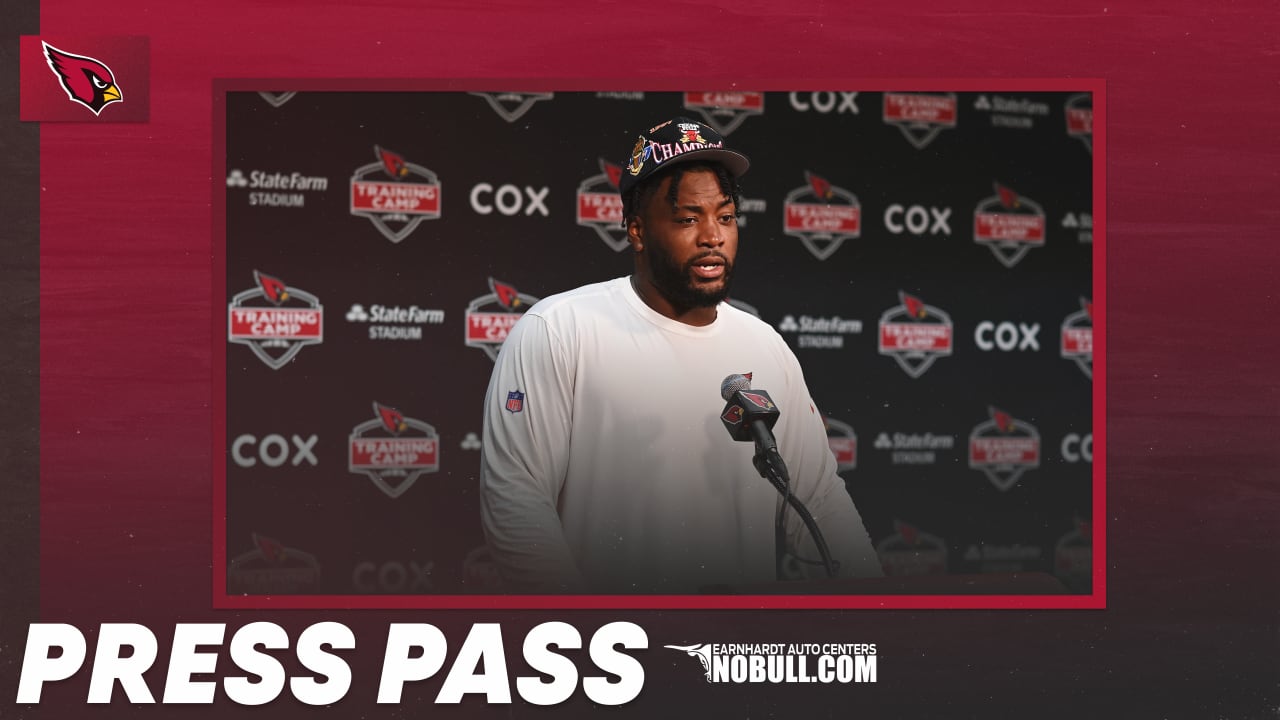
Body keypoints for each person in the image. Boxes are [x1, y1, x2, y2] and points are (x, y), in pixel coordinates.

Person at [480, 116, 881, 593]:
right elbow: (516, 502)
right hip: (617, 652)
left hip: (733, 654)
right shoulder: (560, 329)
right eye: (689, 218)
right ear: (637, 230)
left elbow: (818, 499)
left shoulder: (765, 345)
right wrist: (586, 634)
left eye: (726, 217)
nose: (713, 236)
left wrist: (875, 612)